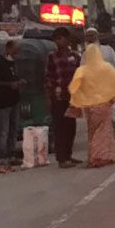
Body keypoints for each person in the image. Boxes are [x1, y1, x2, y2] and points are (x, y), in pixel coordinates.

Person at [68, 43, 115, 168]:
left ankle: (95, 156)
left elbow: (74, 87)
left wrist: (76, 101)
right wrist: (113, 97)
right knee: (104, 130)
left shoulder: (82, 70)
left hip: (89, 105)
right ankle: (101, 156)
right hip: (104, 103)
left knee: (93, 131)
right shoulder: (107, 67)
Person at [46, 26, 82, 169]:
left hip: (72, 97)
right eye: (57, 39)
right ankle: (62, 158)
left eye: (61, 38)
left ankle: (68, 155)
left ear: (67, 39)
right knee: (60, 127)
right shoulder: (52, 56)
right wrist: (48, 97)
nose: (59, 42)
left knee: (71, 127)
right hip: (58, 96)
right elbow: (48, 78)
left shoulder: (75, 56)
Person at [0, 39, 24, 173]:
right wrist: (8, 85)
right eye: (15, 49)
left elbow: (12, 77)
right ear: (8, 48)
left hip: (14, 100)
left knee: (13, 129)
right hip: (3, 101)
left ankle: (10, 155)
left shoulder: (12, 62)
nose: (17, 52)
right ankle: (2, 158)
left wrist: (18, 82)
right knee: (4, 130)